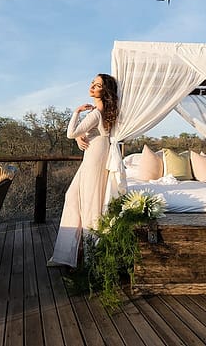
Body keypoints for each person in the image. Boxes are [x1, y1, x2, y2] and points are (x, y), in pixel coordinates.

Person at [48, 73, 119, 268]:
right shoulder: (103, 111)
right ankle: (71, 251)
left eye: (97, 85)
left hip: (95, 158)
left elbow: (71, 133)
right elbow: (91, 133)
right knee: (73, 196)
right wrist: (82, 136)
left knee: (90, 204)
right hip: (96, 153)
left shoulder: (96, 112)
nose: (92, 87)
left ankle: (90, 258)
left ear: (105, 91)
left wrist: (77, 112)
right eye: (92, 83)